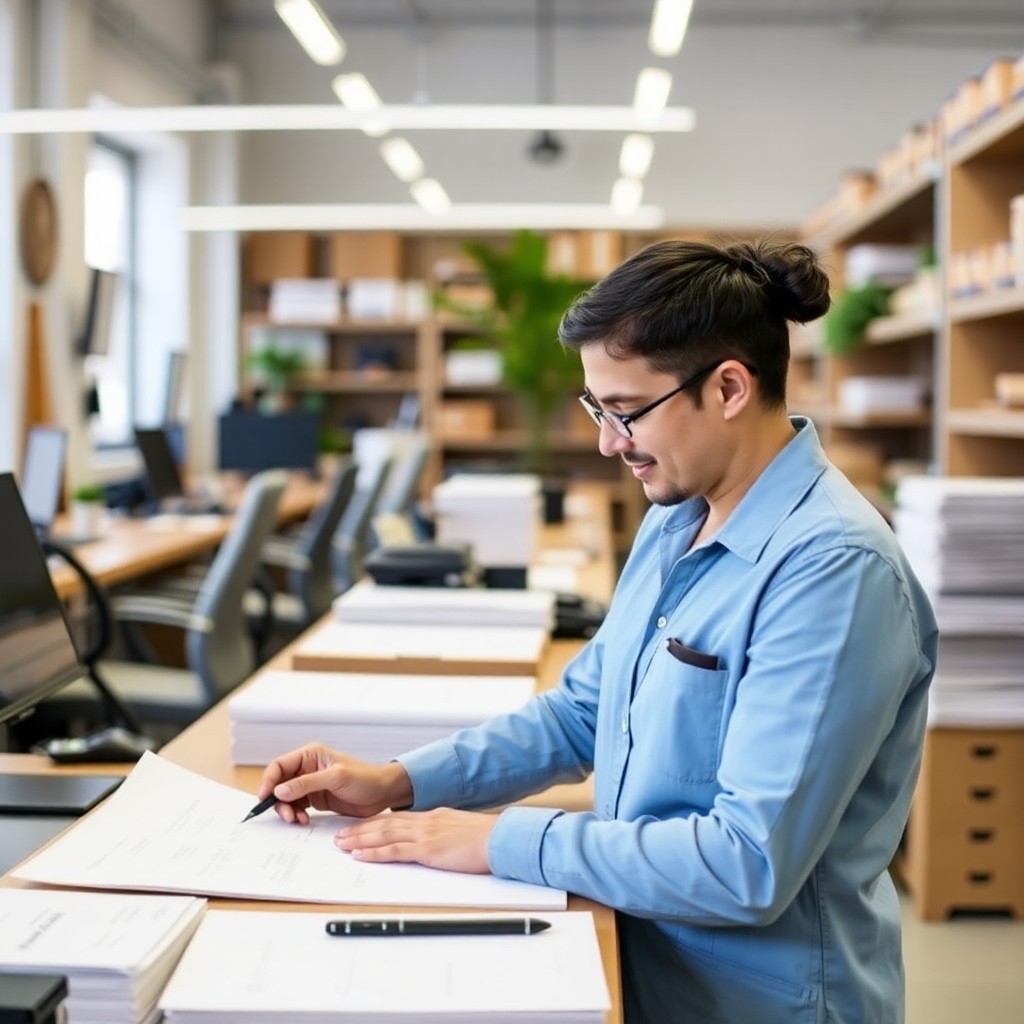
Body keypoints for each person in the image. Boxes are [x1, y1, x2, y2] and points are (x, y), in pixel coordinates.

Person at [259, 238, 938, 1024]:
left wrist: (498, 841)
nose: (609, 443)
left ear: (727, 388)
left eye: (625, 412)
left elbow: (746, 863)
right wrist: (397, 782)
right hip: (639, 952)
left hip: (759, 1001)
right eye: (597, 410)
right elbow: (584, 710)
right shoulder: (678, 515)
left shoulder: (834, 572)